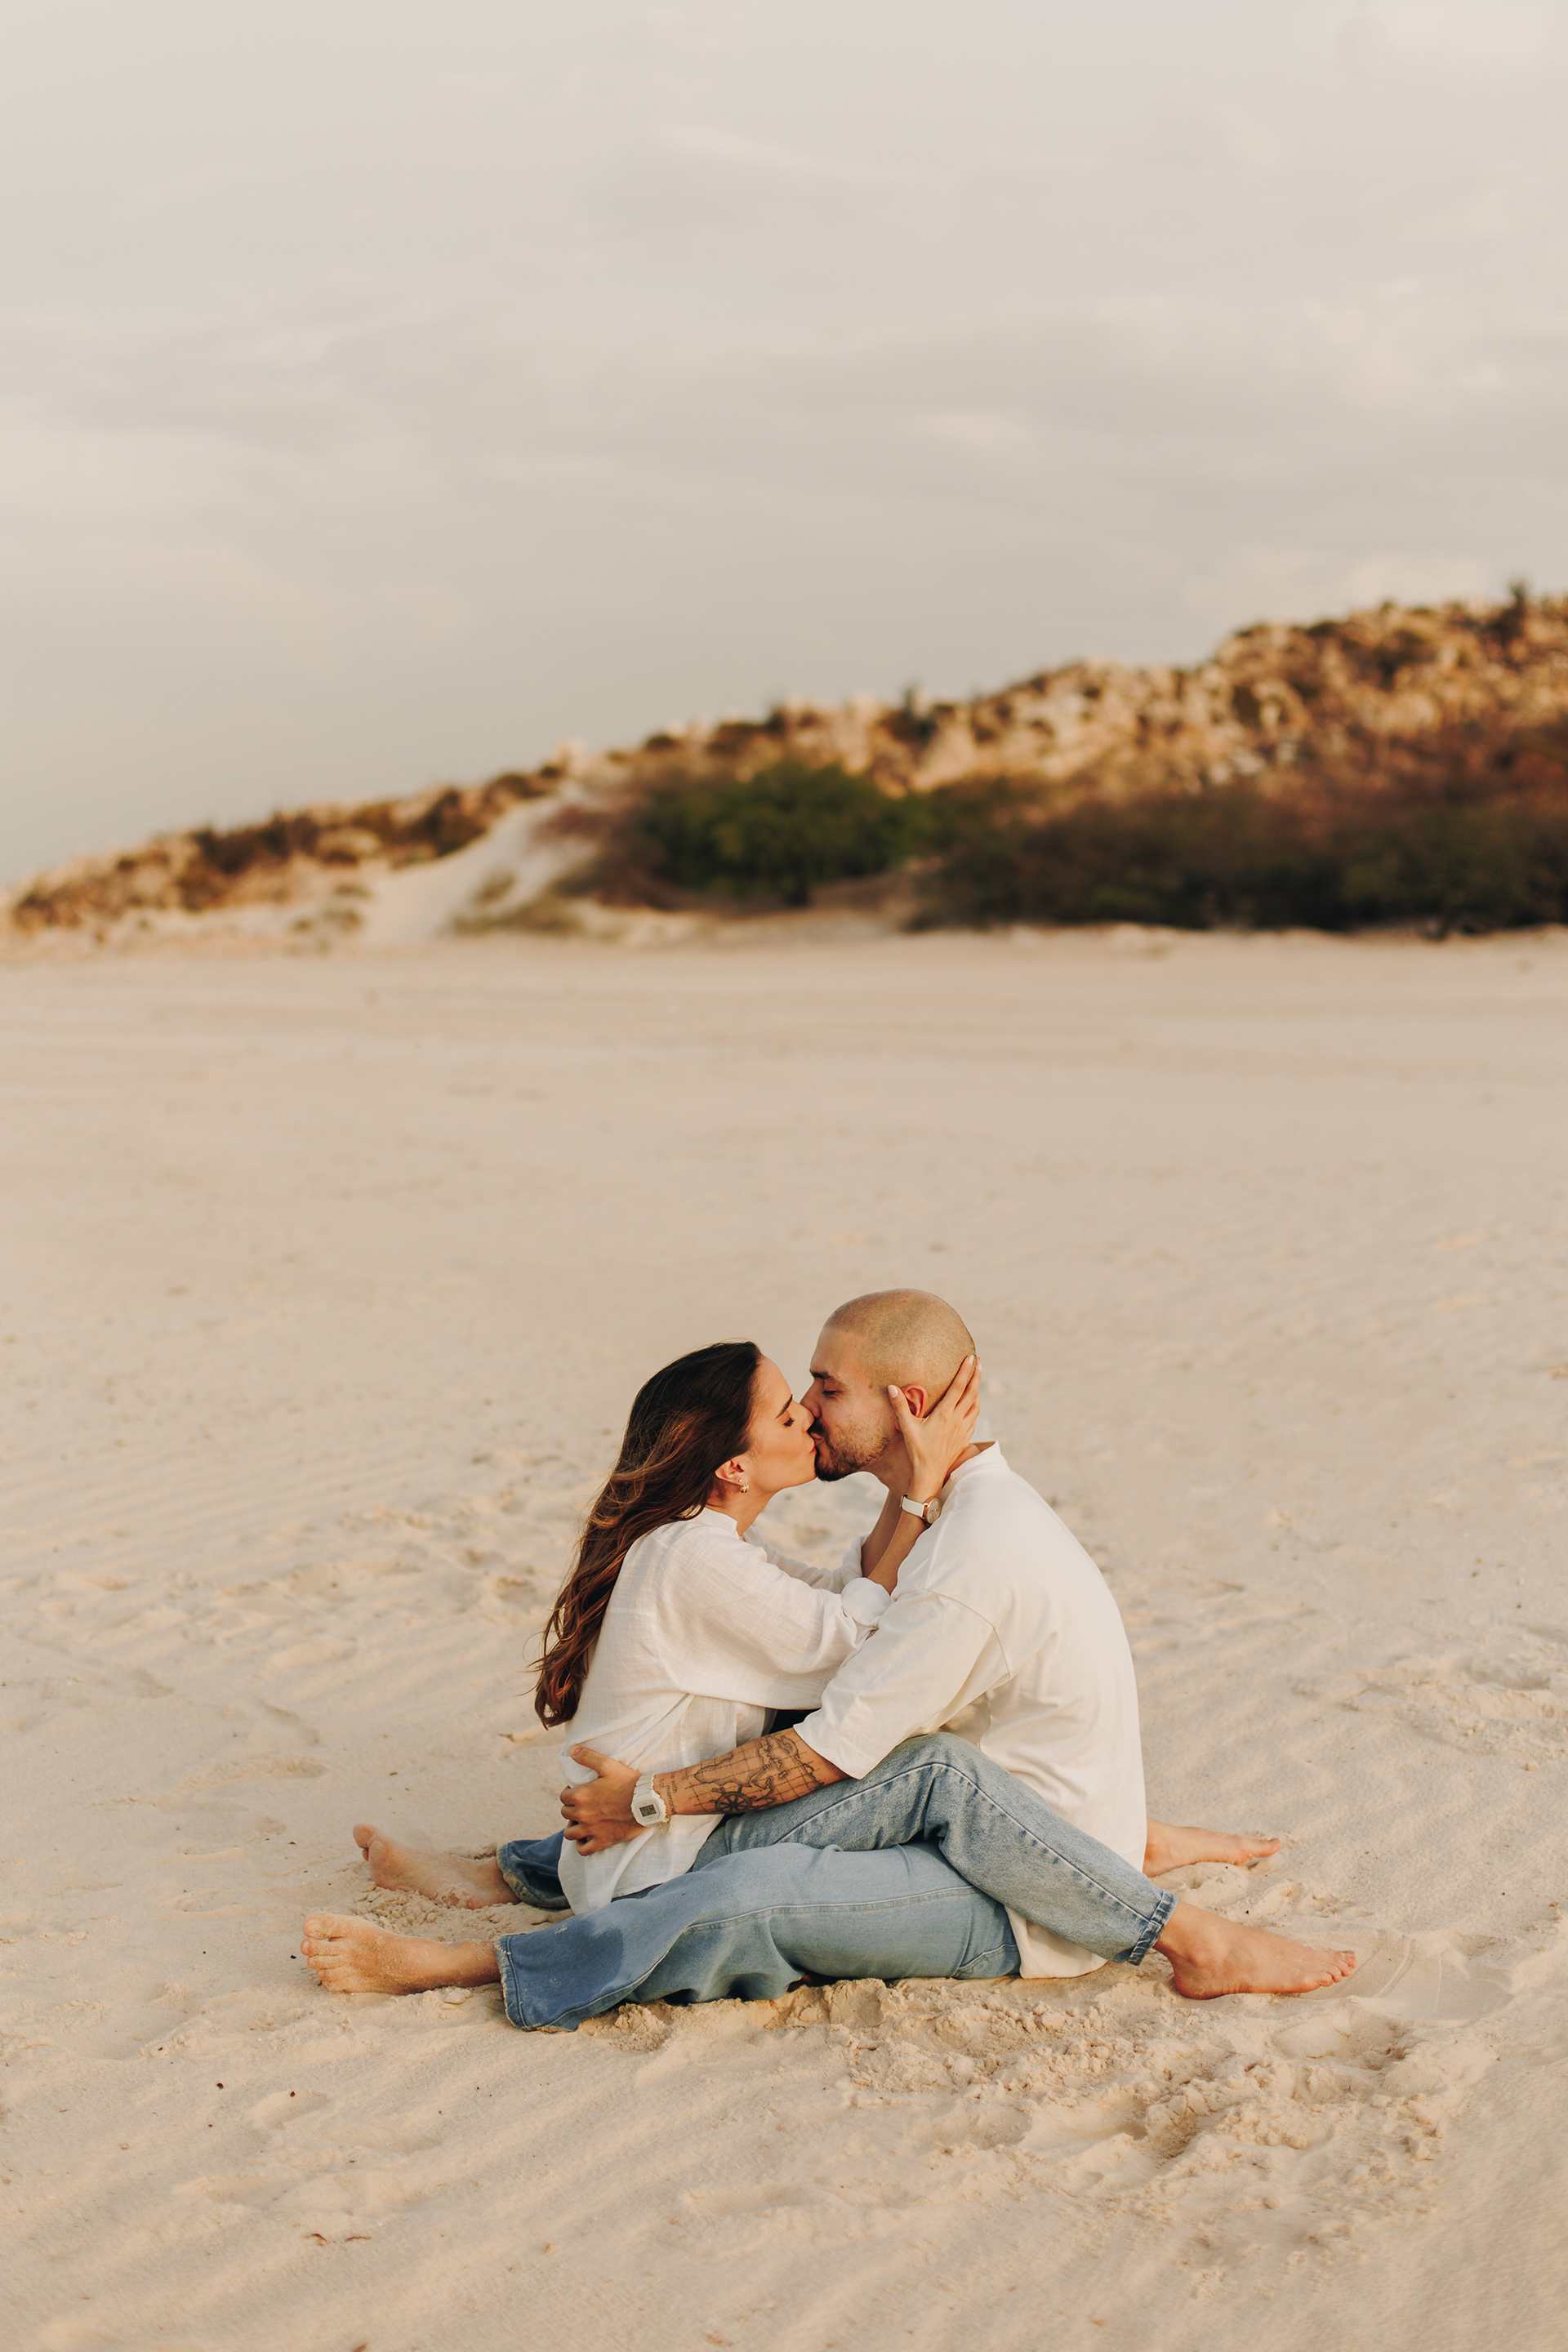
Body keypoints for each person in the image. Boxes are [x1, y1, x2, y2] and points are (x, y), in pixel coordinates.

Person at [301, 1302, 1355, 2021]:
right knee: (873, 1803)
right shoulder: (712, 1557)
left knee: (902, 1778)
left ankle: (503, 1880)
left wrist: (912, 1494)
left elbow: (851, 1616)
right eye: (789, 1403)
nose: (807, 1411)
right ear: (733, 1464)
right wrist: (916, 1491)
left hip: (684, 1835)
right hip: (666, 1850)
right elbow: (857, 1643)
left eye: (819, 1390)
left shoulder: (752, 1548)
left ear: (904, 1406)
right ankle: (492, 1934)